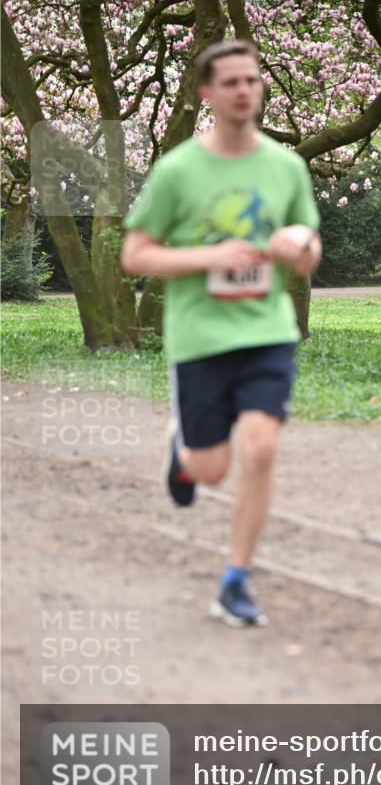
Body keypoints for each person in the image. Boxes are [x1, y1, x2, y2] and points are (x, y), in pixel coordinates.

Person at [121, 40, 322, 628]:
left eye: (251, 80)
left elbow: (310, 248)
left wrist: (298, 245)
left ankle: (235, 579)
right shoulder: (178, 170)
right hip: (201, 338)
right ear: (208, 94)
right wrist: (207, 258)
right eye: (231, 82)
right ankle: (183, 449)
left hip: (267, 331)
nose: (243, 90)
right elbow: (135, 254)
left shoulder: (286, 167)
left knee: (261, 448)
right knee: (210, 471)